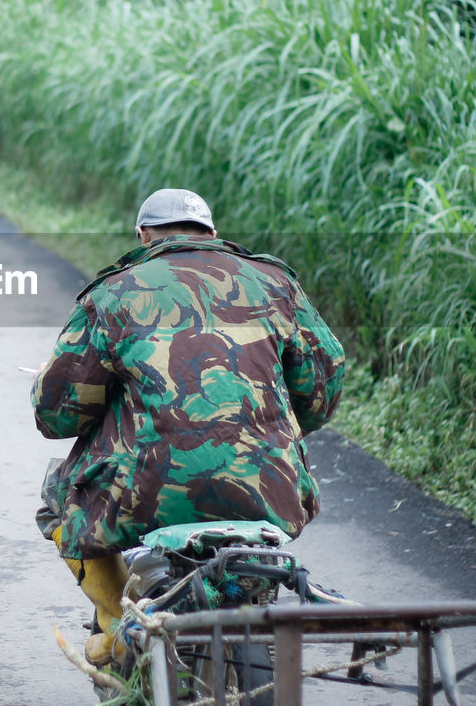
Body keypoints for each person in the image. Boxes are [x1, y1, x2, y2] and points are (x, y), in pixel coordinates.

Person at [31, 188, 345, 665]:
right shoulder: (276, 283)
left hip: (148, 497)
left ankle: (117, 625)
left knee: (59, 493)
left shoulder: (114, 292)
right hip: (270, 489)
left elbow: (57, 415)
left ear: (143, 235)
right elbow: (321, 394)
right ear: (212, 234)